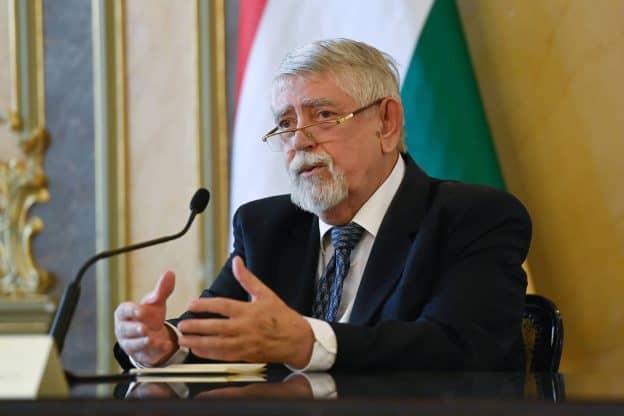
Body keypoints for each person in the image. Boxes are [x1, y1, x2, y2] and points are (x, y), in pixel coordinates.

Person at [114, 38, 531, 372]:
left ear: (387, 123)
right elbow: (220, 333)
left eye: (324, 115)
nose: (300, 140)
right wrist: (166, 343)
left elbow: (461, 348)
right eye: (286, 124)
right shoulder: (266, 226)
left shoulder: (474, 218)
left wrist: (309, 343)